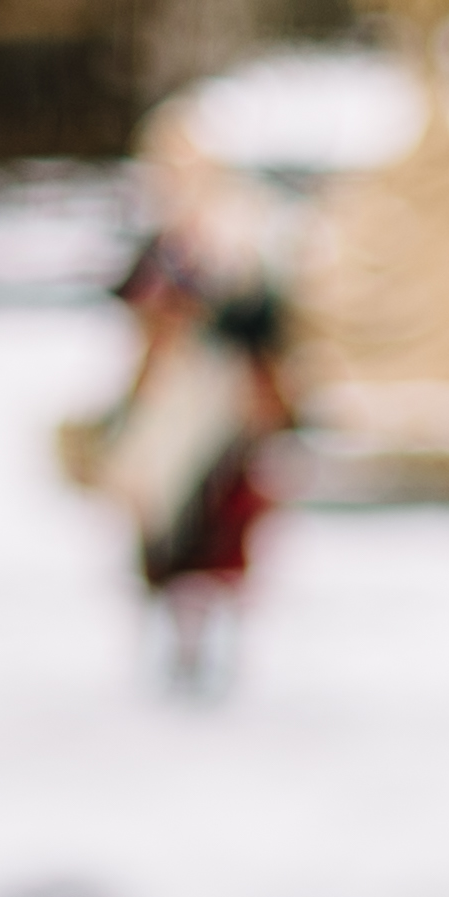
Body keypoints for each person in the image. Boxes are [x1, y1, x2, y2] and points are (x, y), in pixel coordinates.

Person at [82, 102, 290, 697]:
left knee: (215, 521)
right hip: (167, 396)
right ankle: (173, 639)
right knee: (162, 519)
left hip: (219, 400)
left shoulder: (237, 236)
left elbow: (259, 324)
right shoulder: (161, 240)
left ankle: (211, 642)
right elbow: (133, 305)